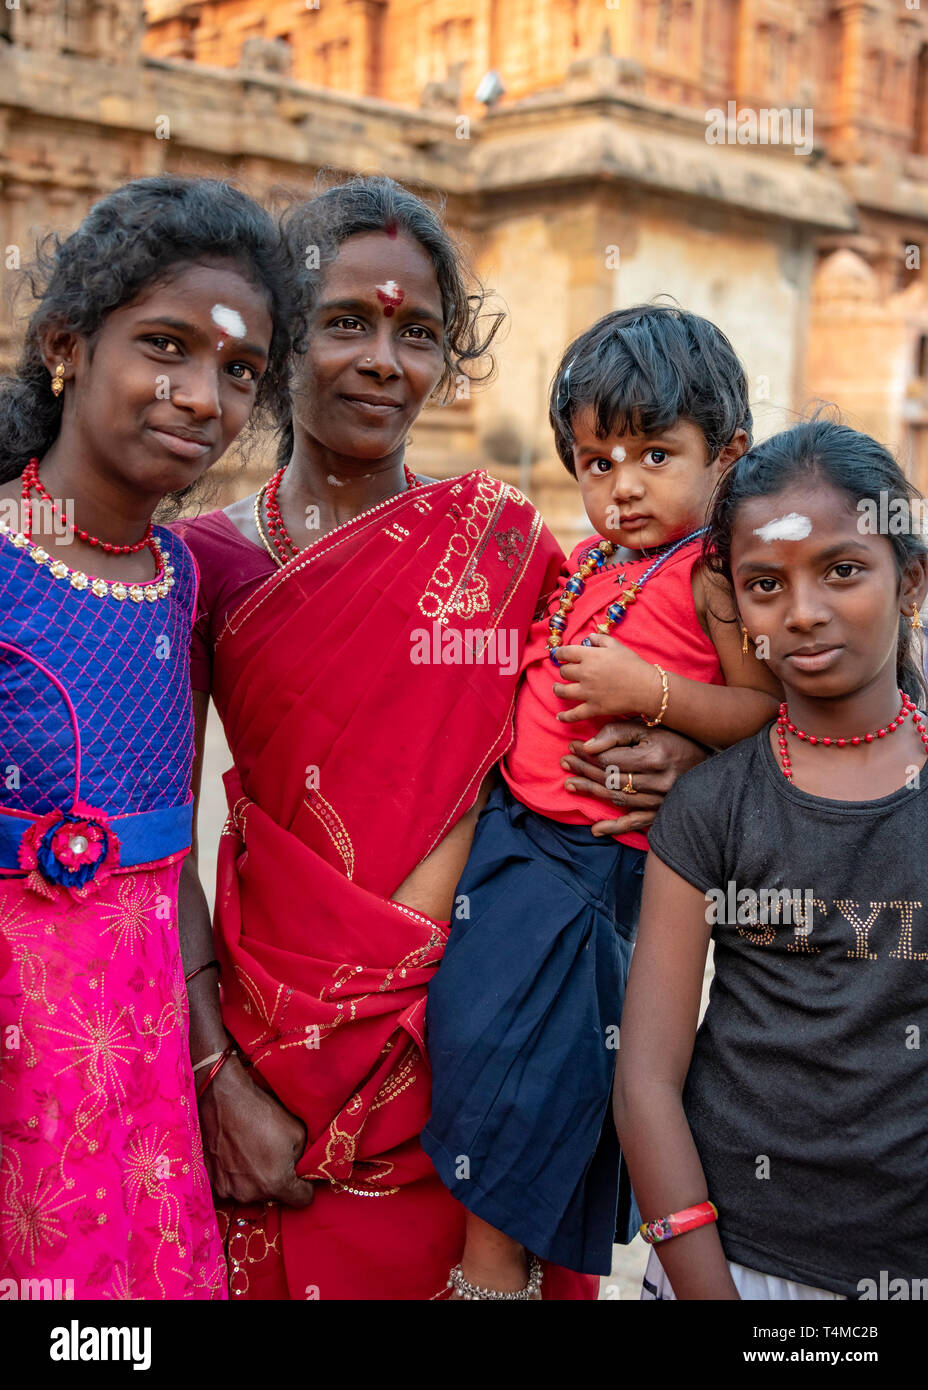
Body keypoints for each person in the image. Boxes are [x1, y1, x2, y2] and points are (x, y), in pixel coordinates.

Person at [174, 178, 707, 1301]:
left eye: (418, 332)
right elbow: (156, 844)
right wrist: (215, 1074)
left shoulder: (507, 544)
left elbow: (627, 709)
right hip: (281, 1047)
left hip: (493, 1028)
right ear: (279, 342)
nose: (384, 359)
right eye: (345, 322)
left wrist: (682, 755)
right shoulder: (202, 567)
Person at [423, 305, 783, 1292]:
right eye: (595, 462)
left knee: (523, 1114)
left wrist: (656, 698)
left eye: (655, 454)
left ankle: (488, 1283)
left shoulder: (711, 574)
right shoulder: (587, 564)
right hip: (511, 859)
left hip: (591, 882)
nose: (621, 486)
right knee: (476, 1069)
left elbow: (762, 710)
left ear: (728, 455)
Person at [0, 175, 303, 1300]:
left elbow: (166, 858)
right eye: (165, 347)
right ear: (68, 345)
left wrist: (212, 1058)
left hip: (143, 1062)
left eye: (239, 372)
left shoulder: (182, 579)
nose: (201, 397)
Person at [614, 419, 928, 1300]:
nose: (801, 611)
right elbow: (645, 1081)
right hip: (737, 1264)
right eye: (763, 584)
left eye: (842, 570)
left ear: (910, 579)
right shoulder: (713, 804)